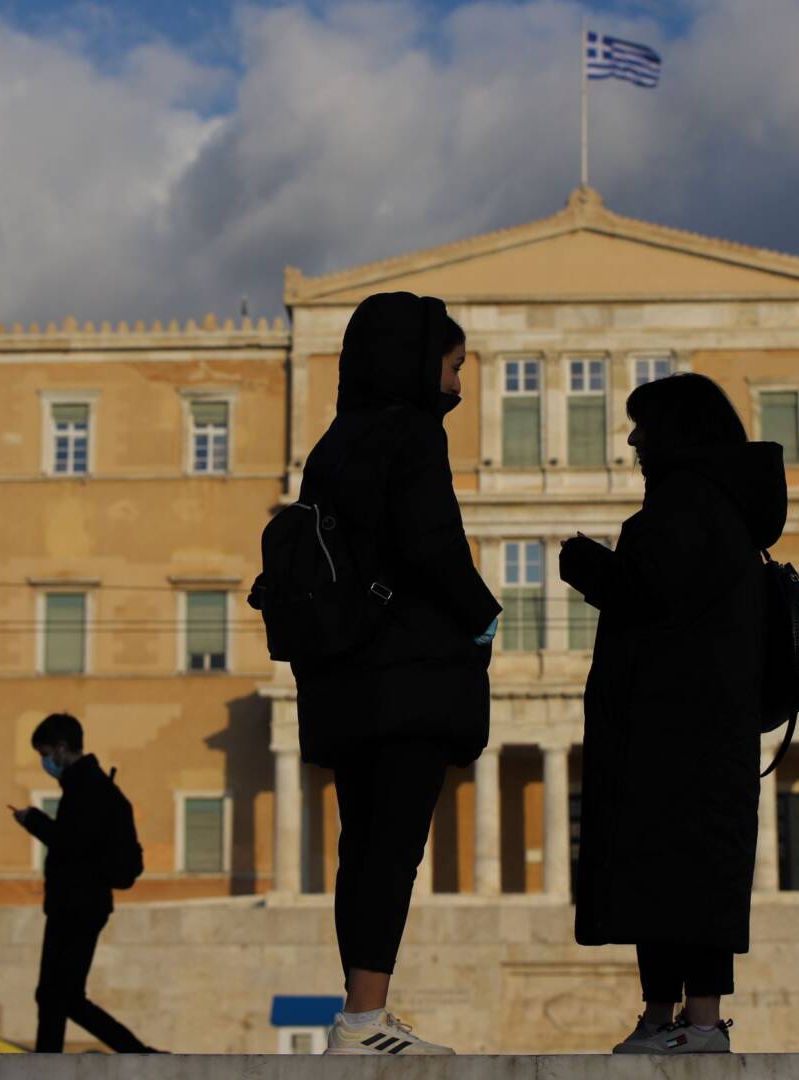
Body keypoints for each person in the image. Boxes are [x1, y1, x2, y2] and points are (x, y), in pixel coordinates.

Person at [282, 292, 500, 1055]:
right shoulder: (412, 434)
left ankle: (361, 1010)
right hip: (407, 679)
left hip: (343, 679)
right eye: (452, 365)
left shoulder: (332, 444)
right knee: (393, 850)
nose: (458, 385)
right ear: (416, 360)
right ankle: (364, 1019)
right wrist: (483, 615)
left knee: (362, 848)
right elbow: (432, 544)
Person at [560, 373, 786, 1055]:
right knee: (664, 870)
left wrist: (585, 564)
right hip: (690, 723)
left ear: (677, 432)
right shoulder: (717, 505)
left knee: (685, 869)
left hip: (678, 724)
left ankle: (701, 1021)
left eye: (644, 426)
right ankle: (664, 1016)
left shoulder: (691, 504)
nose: (633, 440)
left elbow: (651, 596)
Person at [8, 712, 158, 1054]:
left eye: (45, 753)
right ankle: (136, 1052)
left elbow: (71, 844)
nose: (45, 762)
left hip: (75, 904)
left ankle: (132, 1054)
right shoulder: (95, 786)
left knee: (55, 995)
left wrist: (34, 821)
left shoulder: (84, 789)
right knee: (64, 997)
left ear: (62, 748)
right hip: (85, 904)